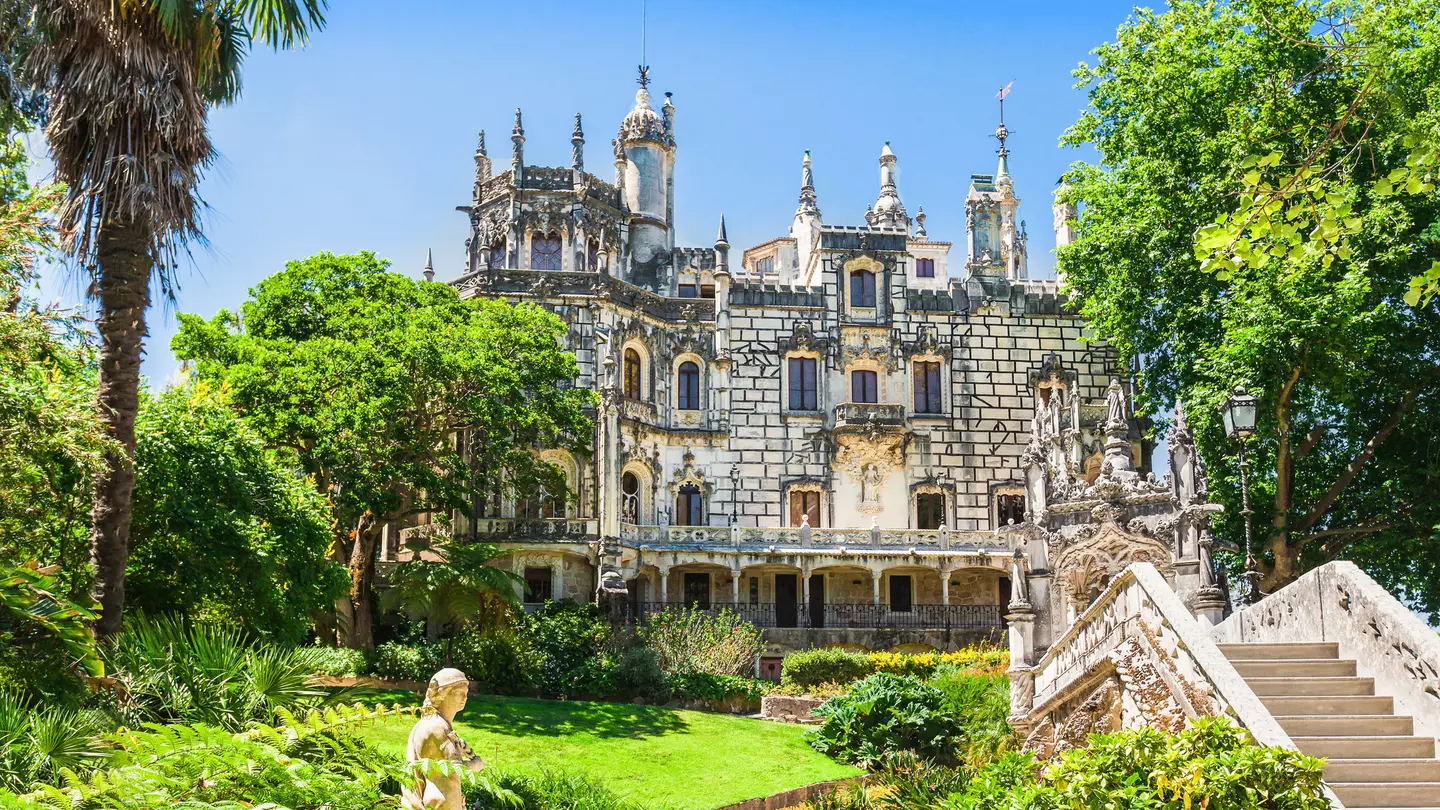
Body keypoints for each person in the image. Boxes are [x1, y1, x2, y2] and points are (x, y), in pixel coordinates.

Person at [401, 668, 485, 810]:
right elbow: (454, 768)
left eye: (466, 693)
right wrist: (476, 764)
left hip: (443, 798)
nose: (465, 698)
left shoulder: (433, 723)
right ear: (442, 694)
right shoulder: (437, 726)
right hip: (444, 801)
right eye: (459, 693)